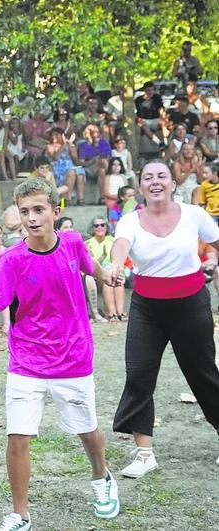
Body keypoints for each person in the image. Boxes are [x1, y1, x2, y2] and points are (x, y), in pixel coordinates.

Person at [0, 178, 120, 531]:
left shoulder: (72, 243)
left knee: (87, 430)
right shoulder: (11, 260)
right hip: (26, 361)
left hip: (74, 359)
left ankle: (101, 477)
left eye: (39, 210)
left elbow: (92, 268)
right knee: (18, 436)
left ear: (55, 212)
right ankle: (21, 514)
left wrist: (108, 275)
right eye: (24, 212)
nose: (31, 218)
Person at [110, 159, 219, 476]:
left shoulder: (193, 215)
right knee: (139, 374)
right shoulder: (130, 220)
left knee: (202, 374)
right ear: (140, 185)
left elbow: (216, 243)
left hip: (190, 305)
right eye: (148, 177)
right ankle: (144, 453)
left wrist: (212, 258)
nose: (155, 181)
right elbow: (121, 246)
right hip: (148, 308)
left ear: (173, 183)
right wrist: (117, 265)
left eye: (161, 176)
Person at [86, 216, 126, 320]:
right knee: (107, 279)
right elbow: (89, 266)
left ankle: (120, 312)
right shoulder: (88, 244)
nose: (100, 227)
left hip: (112, 272)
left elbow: (119, 260)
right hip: (96, 275)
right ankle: (112, 313)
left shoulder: (113, 241)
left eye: (102, 225)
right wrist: (103, 257)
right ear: (92, 228)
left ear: (106, 227)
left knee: (117, 279)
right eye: (96, 225)